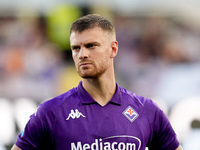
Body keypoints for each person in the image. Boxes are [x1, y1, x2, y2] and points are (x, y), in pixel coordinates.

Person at [11, 14, 182, 150]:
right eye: (76, 48)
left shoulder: (148, 112)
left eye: (91, 46)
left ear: (113, 49)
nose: (82, 54)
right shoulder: (51, 113)